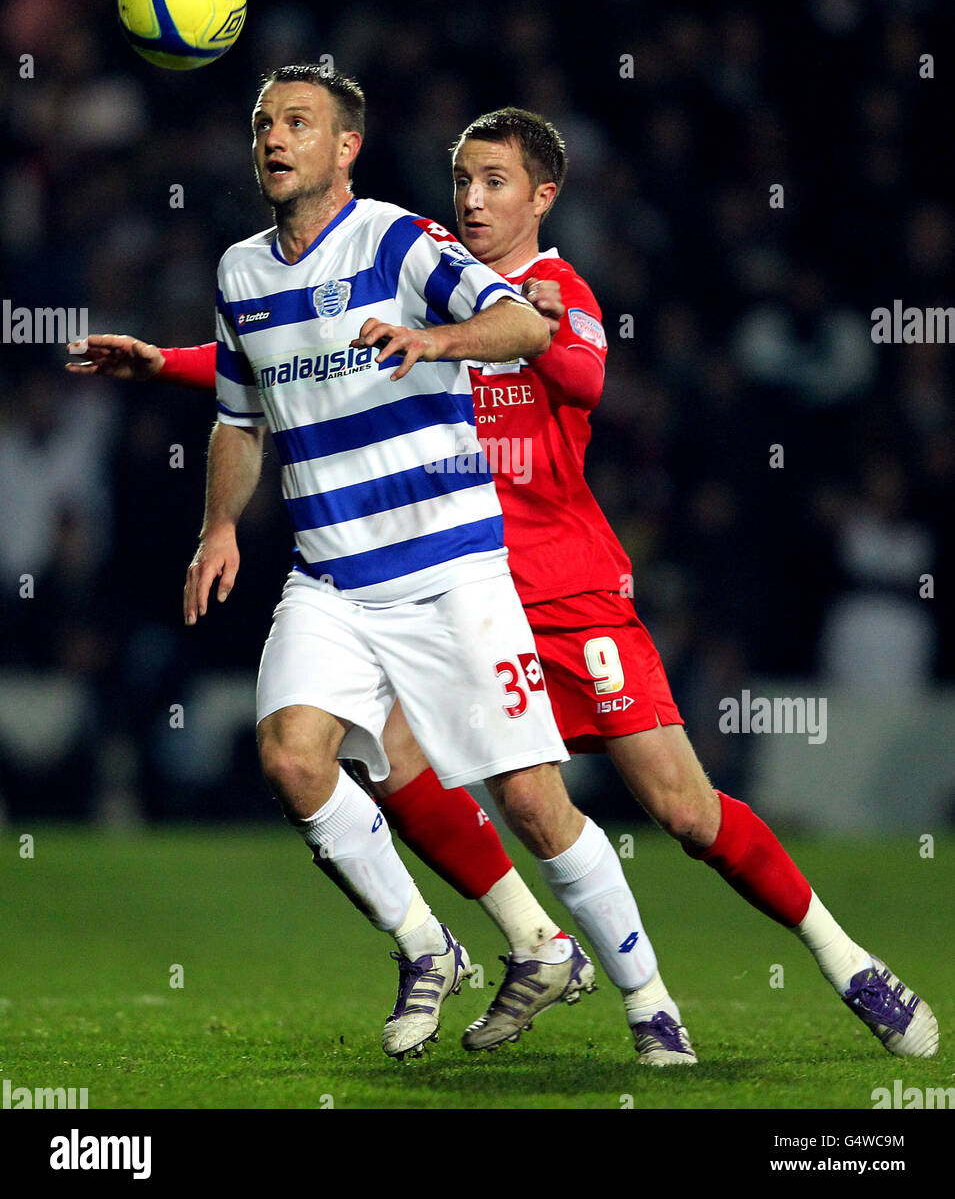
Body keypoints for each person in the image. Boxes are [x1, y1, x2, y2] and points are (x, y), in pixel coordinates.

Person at [71, 96, 937, 1063]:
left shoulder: (552, 288)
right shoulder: (419, 273)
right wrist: (170, 366)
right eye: (461, 183)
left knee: (684, 811)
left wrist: (518, 330)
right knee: (380, 761)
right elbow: (289, 361)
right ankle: (542, 955)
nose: (472, 204)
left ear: (543, 197)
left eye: (494, 185)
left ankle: (843, 956)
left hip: (562, 588)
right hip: (441, 581)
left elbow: (581, 378)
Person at [75, 63, 696, 1066]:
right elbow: (240, 416)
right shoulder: (240, 272)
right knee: (290, 756)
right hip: (330, 578)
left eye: (298, 123)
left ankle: (649, 999)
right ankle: (425, 944)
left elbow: (529, 325)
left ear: (344, 147)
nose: (273, 139)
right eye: (263, 123)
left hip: (451, 569)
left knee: (535, 803)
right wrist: (220, 527)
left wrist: (434, 337)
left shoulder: (404, 239)